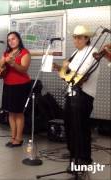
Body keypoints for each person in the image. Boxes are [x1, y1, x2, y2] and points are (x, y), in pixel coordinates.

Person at [53, 25, 100, 172]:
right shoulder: (75, 53)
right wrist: (61, 69)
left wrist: (66, 67)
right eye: (75, 37)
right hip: (71, 92)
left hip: (84, 94)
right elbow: (68, 76)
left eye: (80, 37)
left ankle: (82, 158)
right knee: (69, 125)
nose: (76, 40)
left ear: (87, 38)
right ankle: (75, 154)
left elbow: (83, 74)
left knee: (80, 127)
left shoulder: (93, 51)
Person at [0, 31, 31, 148]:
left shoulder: (24, 52)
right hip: (8, 84)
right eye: (9, 40)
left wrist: (12, 63)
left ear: (18, 39)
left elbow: (23, 69)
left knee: (18, 113)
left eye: (13, 39)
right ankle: (12, 137)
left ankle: (19, 138)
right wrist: (3, 61)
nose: (11, 41)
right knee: (10, 112)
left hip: (21, 85)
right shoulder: (7, 52)